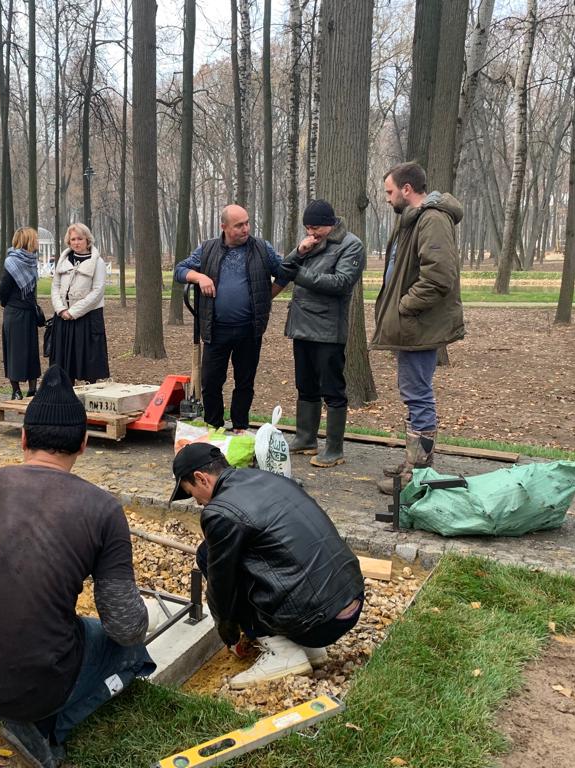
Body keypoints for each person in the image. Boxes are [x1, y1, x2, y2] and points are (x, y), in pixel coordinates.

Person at [0, 365, 154, 768]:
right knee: (129, 650)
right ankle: (42, 728)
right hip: (32, 688)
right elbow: (126, 626)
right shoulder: (103, 510)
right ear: (83, 445)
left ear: (23, 438)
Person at [169, 443, 364, 689]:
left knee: (207, 554)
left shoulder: (219, 512)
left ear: (201, 478)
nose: (197, 503)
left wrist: (227, 629)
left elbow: (222, 584)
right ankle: (309, 649)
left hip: (318, 623)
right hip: (351, 597)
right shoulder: (268, 478)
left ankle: (283, 652)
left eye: (191, 493)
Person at [372, 161, 465, 494]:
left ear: (407, 189)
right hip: (412, 327)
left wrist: (404, 307)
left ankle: (418, 474)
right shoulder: (412, 220)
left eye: (390, 191)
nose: (387, 198)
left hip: (419, 326)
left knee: (418, 395)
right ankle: (413, 462)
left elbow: (439, 277)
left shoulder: (432, 219)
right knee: (412, 394)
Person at [174, 204, 289, 433]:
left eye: (247, 222)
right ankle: (213, 425)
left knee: (244, 382)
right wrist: (199, 277)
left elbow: (285, 272)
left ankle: (240, 426)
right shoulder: (207, 249)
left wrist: (266, 297)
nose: (246, 228)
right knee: (211, 382)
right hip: (216, 329)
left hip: (249, 329)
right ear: (224, 227)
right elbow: (180, 270)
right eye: (239, 225)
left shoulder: (261, 248)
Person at [278, 200, 366, 466]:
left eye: (315, 227)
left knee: (332, 389)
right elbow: (285, 269)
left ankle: (335, 448)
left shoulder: (352, 245)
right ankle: (306, 438)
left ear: (330, 224)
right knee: (305, 385)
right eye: (307, 228)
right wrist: (298, 251)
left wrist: (300, 274)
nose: (311, 233)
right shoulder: (310, 243)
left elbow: (340, 283)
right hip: (302, 326)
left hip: (328, 329)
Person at [49, 222, 110, 384]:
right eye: (73, 239)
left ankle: (88, 399)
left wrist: (74, 312)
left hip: (87, 319)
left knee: (88, 363)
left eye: (80, 239)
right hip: (63, 317)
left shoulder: (97, 263)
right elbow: (55, 286)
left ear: (87, 240)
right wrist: (61, 309)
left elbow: (97, 292)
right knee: (63, 364)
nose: (76, 242)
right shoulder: (63, 260)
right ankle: (64, 398)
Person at [0, 226, 43, 400]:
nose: (38, 242)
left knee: (31, 351)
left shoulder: (32, 261)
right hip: (15, 313)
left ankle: (33, 389)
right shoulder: (12, 262)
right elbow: (3, 289)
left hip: (28, 313)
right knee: (14, 351)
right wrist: (9, 305)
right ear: (29, 241)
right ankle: (16, 389)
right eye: (36, 239)